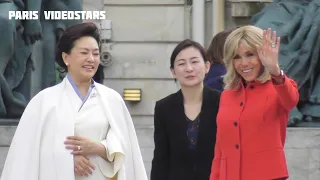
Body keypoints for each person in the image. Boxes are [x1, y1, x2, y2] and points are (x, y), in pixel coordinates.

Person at [0, 22, 148, 180]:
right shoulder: (43, 102)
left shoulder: (112, 100)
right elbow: (27, 155)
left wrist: (99, 148)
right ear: (66, 57)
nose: (91, 59)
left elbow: (126, 148)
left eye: (96, 54)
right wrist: (66, 159)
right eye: (84, 53)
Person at [210, 26, 299, 180]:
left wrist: (275, 71)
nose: (244, 63)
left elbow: (291, 100)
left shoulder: (278, 87)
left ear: (262, 55)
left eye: (250, 55)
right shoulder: (227, 94)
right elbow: (220, 148)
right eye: (237, 57)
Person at [151, 39, 221, 180]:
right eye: (181, 64)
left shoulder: (222, 102)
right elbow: (161, 158)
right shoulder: (164, 108)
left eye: (194, 62)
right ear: (173, 71)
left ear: (207, 66)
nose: (189, 68)